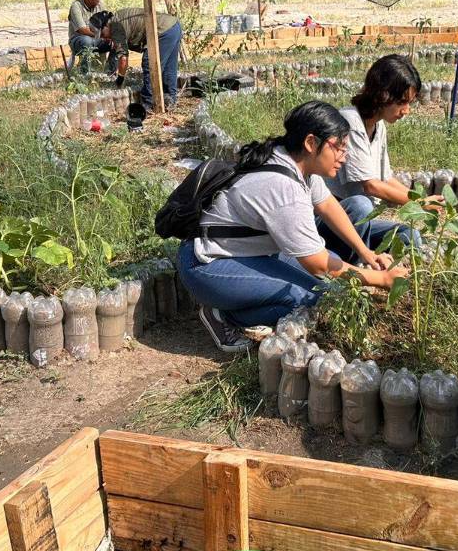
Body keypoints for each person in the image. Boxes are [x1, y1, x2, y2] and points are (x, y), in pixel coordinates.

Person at [178, 100, 406, 351]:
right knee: (311, 298)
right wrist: (381, 279)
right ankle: (225, 315)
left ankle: (237, 301)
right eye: (339, 147)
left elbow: (328, 205)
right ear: (311, 143)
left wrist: (367, 253)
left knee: (329, 280)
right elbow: (318, 264)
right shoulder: (284, 188)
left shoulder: (296, 163)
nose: (344, 156)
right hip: (208, 265)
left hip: (245, 254)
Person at [319, 54, 435, 262]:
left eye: (409, 103)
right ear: (382, 95)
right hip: (332, 221)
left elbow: (385, 178)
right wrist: (422, 203)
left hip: (360, 224)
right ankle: (353, 269)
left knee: (409, 236)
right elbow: (371, 186)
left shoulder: (378, 125)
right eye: (402, 102)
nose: (406, 111)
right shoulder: (350, 122)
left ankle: (364, 258)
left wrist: (419, 200)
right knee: (361, 205)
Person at [107, 6, 183, 110]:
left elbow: (123, 59)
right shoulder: (118, 18)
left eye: (103, 34)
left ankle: (148, 105)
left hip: (163, 30)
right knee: (169, 68)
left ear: (105, 25)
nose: (105, 38)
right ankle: (170, 100)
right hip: (173, 26)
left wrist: (120, 80)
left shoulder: (115, 27)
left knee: (150, 62)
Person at [66, 0, 122, 75]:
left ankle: (110, 72)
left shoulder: (100, 5)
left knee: (117, 41)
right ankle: (84, 73)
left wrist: (112, 35)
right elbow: (82, 30)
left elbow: (108, 23)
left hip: (97, 39)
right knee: (87, 40)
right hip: (78, 40)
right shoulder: (76, 6)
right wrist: (102, 36)